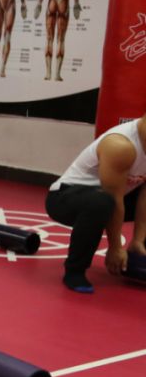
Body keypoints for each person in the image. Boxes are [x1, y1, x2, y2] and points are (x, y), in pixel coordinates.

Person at [45, 113, 146, 293]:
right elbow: (114, 198)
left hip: (110, 198)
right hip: (65, 198)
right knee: (101, 202)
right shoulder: (120, 145)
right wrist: (115, 247)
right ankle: (74, 271)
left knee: (103, 202)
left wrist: (139, 239)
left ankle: (138, 260)